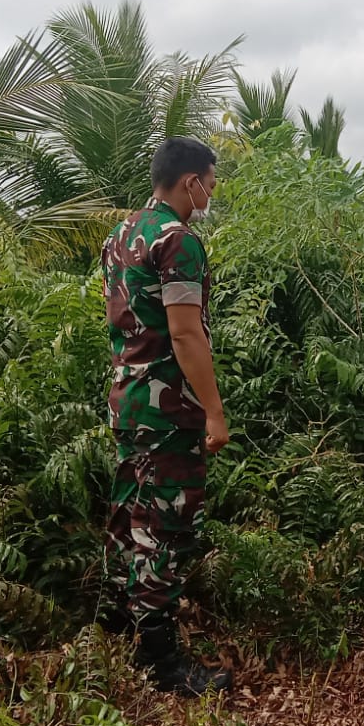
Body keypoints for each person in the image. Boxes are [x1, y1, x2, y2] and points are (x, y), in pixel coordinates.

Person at [99, 135, 232, 695]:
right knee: (166, 529)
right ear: (189, 183)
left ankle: (118, 632)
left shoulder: (121, 234)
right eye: (210, 181)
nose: (212, 192)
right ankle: (163, 666)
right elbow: (184, 331)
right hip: (168, 409)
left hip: (127, 399)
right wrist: (214, 412)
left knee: (130, 519)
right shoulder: (179, 242)